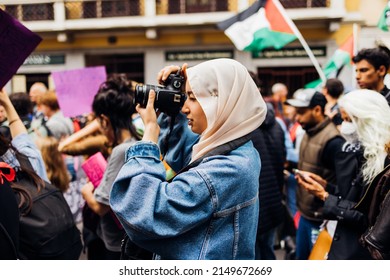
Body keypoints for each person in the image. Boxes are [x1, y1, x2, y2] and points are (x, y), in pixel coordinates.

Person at [110, 58, 267, 260]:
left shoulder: (229, 169)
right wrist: (171, 100)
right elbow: (179, 154)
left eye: (192, 97)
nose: (184, 108)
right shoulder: (235, 148)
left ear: (219, 102)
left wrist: (149, 134)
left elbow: (142, 212)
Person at [296, 89, 390, 259]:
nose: (343, 126)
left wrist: (325, 196)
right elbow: (352, 198)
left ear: (367, 120)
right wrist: (326, 187)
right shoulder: (365, 153)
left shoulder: (384, 164)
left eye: (348, 120)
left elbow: (366, 219)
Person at [81, 74, 142, 259]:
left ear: (105, 120)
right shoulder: (139, 142)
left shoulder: (121, 151)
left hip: (117, 244)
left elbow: (100, 207)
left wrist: (86, 191)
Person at [285, 89, 345, 259]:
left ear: (317, 110)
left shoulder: (333, 141)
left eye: (302, 113)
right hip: (305, 214)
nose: (297, 118)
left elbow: (342, 187)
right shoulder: (309, 131)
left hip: (321, 220)